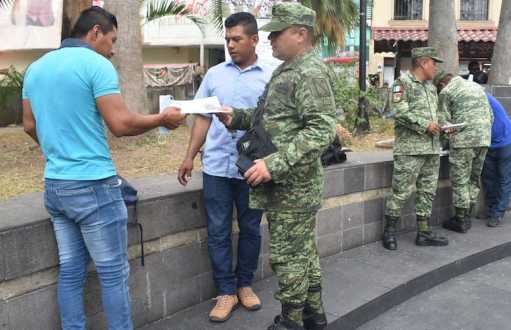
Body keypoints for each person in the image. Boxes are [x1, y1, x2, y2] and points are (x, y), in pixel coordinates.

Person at [21, 7, 185, 330]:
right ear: (95, 32)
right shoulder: (96, 65)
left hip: (55, 186)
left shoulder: (35, 68)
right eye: (111, 40)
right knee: (113, 273)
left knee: (70, 270)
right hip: (94, 186)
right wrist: (162, 119)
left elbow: (29, 125)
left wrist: (59, 149)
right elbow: (121, 124)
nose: (112, 49)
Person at [216, 3, 337, 329]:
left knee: (288, 257)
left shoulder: (309, 72)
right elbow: (269, 121)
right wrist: (235, 117)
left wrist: (274, 165)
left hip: (292, 185)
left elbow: (321, 129)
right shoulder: (291, 69)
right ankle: (314, 315)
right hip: (287, 184)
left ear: (300, 34)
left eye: (276, 33)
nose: (270, 40)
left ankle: (291, 321)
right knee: (304, 253)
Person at [177, 12, 272, 323]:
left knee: (250, 230)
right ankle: (226, 291)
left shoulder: (270, 75)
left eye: (237, 39)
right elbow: (202, 117)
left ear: (254, 39)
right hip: (217, 167)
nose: (230, 45)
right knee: (217, 232)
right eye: (227, 39)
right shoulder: (215, 75)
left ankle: (245, 284)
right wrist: (189, 155)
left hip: (252, 170)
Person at [382, 47, 449, 251]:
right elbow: (398, 112)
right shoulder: (400, 84)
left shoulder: (430, 87)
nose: (436, 68)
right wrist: (424, 125)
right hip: (410, 150)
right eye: (434, 63)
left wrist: (446, 127)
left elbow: (437, 114)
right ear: (422, 63)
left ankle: (423, 232)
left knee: (427, 192)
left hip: (431, 149)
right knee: (401, 192)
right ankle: (389, 232)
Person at [434, 71, 493, 233]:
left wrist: (441, 142)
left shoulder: (446, 92)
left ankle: (460, 219)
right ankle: (467, 214)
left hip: (463, 142)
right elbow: (491, 116)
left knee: (460, 180)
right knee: (474, 178)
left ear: (441, 84)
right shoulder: (476, 87)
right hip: (484, 139)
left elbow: (444, 123)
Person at [482, 93, 511, 227]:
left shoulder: (482, 96)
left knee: (504, 179)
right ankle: (491, 209)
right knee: (488, 177)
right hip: (489, 143)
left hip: (507, 141)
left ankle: (497, 213)